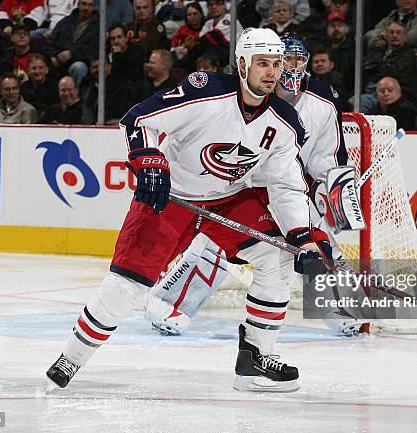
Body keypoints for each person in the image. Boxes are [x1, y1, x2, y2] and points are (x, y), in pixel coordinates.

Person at [46, 28, 334, 393]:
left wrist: (303, 237)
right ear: (242, 64)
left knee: (277, 257)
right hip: (172, 197)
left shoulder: (286, 122)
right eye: (263, 63)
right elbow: (138, 120)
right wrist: (150, 159)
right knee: (128, 284)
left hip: (229, 199)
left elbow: (286, 186)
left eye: (277, 64)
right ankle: (72, 356)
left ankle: (256, 359)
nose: (272, 72)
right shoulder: (205, 91)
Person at [141, 36, 368, 339]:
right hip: (240, 185)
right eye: (284, 60)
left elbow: (327, 157)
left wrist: (337, 192)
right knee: (215, 244)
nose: (291, 67)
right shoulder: (244, 93)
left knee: (317, 246)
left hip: (288, 187)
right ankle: (169, 303)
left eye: (298, 60)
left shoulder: (324, 100)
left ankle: (344, 311)